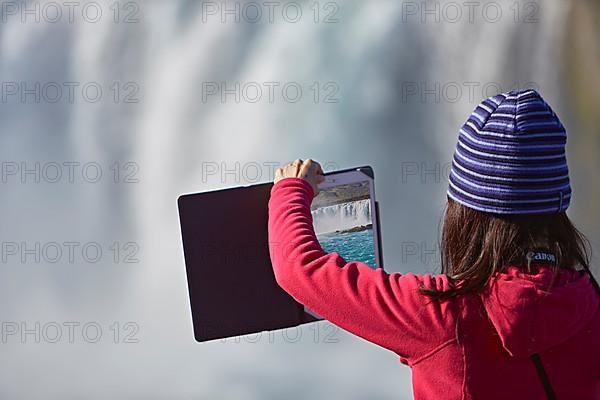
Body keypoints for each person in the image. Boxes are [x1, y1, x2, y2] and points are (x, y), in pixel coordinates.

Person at [267, 89, 600, 399]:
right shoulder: (589, 302)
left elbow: (298, 268)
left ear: (465, 213)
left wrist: (291, 190)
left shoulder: (439, 315)